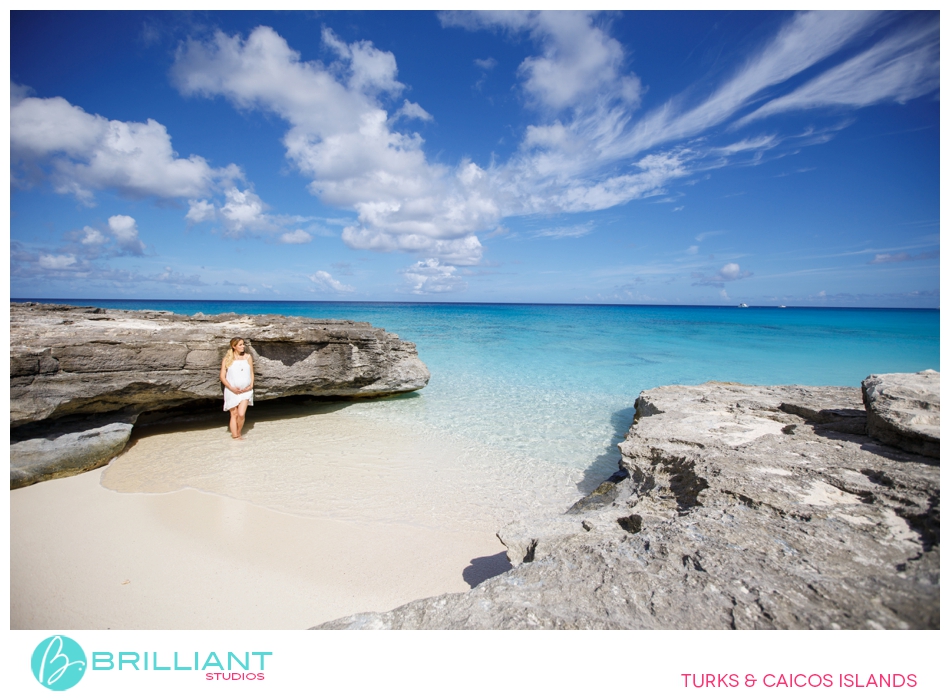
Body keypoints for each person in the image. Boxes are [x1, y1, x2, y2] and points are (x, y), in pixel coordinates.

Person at [220, 337, 254, 439]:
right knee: (234, 414)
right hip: (231, 391)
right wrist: (231, 388)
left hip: (245, 391)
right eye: (240, 345)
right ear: (234, 346)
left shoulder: (248, 357)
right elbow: (222, 377)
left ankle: (238, 432)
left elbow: (251, 373)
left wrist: (251, 385)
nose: (243, 346)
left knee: (241, 414)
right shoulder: (227, 359)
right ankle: (235, 437)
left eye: (243, 344)